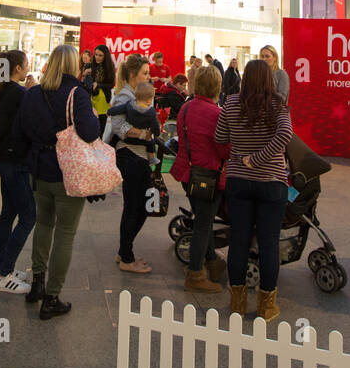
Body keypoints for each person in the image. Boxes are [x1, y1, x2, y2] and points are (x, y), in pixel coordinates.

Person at [12, 44, 99, 319]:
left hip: (39, 170)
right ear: (74, 66)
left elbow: (22, 128)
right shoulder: (78, 94)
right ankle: (52, 297)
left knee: (43, 224)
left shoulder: (34, 93)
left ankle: (37, 282)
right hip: (68, 173)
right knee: (65, 233)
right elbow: (89, 133)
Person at [214, 59, 292, 323]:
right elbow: (285, 136)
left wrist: (246, 153)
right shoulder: (278, 105)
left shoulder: (231, 103)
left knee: (239, 241)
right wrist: (260, 158)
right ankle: (266, 306)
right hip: (271, 182)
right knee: (269, 243)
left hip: (238, 181)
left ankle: (237, 303)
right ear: (269, 79)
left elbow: (220, 137)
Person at [169, 65, 229, 292]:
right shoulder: (217, 114)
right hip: (209, 176)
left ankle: (212, 261)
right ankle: (195, 274)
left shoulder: (185, 108)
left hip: (188, 173)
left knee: (203, 219)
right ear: (217, 86)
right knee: (204, 224)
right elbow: (224, 150)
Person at [0, 50, 33, 294]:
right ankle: (4, 272)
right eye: (25, 64)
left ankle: (0, 267)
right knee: (28, 215)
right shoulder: (18, 92)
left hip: (6, 158)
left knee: (8, 213)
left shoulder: (5, 90)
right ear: (17, 68)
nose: (28, 67)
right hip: (15, 161)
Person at [106, 53, 155, 273]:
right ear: (133, 75)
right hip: (131, 156)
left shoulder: (135, 95)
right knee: (136, 207)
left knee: (138, 206)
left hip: (138, 157)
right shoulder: (125, 97)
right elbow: (118, 126)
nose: (149, 77)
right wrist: (142, 134)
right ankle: (126, 257)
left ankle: (124, 251)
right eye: (145, 73)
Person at [91, 43, 116, 115]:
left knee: (101, 124)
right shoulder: (91, 65)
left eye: (100, 55)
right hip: (92, 98)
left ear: (105, 56)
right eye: (96, 54)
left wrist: (98, 85)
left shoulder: (109, 67)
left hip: (104, 98)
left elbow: (112, 84)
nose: (97, 57)